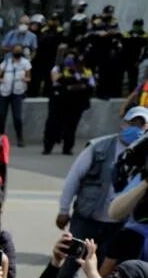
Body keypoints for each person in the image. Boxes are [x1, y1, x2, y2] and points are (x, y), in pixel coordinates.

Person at [57, 107, 148, 262]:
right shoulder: (99, 147)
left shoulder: (144, 156)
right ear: (123, 124)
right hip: (88, 218)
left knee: (103, 268)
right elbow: (74, 177)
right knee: (72, 262)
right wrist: (64, 210)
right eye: (133, 123)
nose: (136, 128)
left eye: (141, 125)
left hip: (119, 224)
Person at [0, 46, 32, 147]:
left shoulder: (25, 63)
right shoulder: (7, 62)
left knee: (17, 117)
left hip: (18, 92)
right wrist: (3, 80)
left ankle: (20, 138)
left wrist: (23, 79)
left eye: (19, 50)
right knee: (2, 116)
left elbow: (29, 78)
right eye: (15, 50)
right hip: (5, 91)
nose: (17, 52)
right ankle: (0, 138)